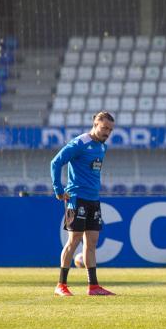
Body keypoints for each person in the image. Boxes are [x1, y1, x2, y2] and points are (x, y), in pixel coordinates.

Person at [50, 111, 116, 296]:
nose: (107, 132)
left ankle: (93, 286)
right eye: (104, 128)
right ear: (95, 124)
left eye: (110, 129)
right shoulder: (80, 143)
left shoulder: (102, 147)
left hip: (93, 199)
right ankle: (61, 285)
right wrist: (58, 189)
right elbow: (56, 162)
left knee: (92, 241)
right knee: (75, 239)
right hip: (77, 197)